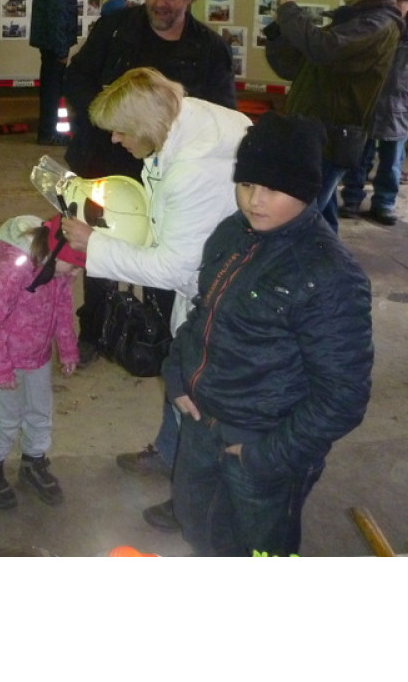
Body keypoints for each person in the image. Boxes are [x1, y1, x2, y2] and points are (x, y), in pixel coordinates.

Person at [164, 112, 373, 556]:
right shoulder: (231, 233)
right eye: (246, 184)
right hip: (202, 425)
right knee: (198, 527)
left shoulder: (328, 275)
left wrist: (266, 456)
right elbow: (203, 310)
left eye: (273, 189)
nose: (254, 201)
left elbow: (343, 396)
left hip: (261, 447)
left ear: (306, 190)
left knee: (259, 549)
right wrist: (176, 373)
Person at [63, 67, 250, 531]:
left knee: (200, 396)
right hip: (221, 276)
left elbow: (175, 269)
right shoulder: (186, 117)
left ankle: (196, 500)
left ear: (146, 125)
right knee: (179, 372)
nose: (115, 140)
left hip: (218, 298)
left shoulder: (194, 170)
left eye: (121, 131)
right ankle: (171, 453)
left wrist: (94, 245)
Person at [63, 0, 235, 370]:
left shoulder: (210, 48)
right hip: (105, 160)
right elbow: (77, 76)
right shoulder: (116, 28)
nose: (160, 3)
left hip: (168, 164)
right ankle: (95, 329)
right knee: (98, 245)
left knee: (166, 249)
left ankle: (160, 334)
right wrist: (109, 126)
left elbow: (221, 108)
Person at [264, 0, 400, 231]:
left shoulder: (377, 25)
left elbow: (322, 49)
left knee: (301, 217)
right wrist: (278, 31)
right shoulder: (351, 21)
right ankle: (330, 258)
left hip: (331, 139)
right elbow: (293, 67)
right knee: (321, 219)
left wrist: (289, 8)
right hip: (313, 133)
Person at [0, 215, 82, 509]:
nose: (76, 273)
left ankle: (34, 461)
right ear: (56, 253)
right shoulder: (12, 270)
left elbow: (62, 309)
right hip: (5, 358)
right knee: (8, 417)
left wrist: (68, 349)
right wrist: (0, 369)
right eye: (74, 265)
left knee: (40, 412)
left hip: (38, 356)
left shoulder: (60, 273)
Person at [339, 0, 408, 225]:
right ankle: (352, 200)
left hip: (399, 107)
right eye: (390, 0)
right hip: (368, 103)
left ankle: (384, 204)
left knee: (392, 161)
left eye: (399, 1)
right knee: (358, 156)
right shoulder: (375, 27)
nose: (393, 5)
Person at [30, 0, 87, 145]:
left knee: (50, 88)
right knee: (52, 89)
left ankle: (47, 131)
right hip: (55, 43)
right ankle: (48, 134)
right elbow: (58, 13)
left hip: (49, 40)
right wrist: (62, 48)